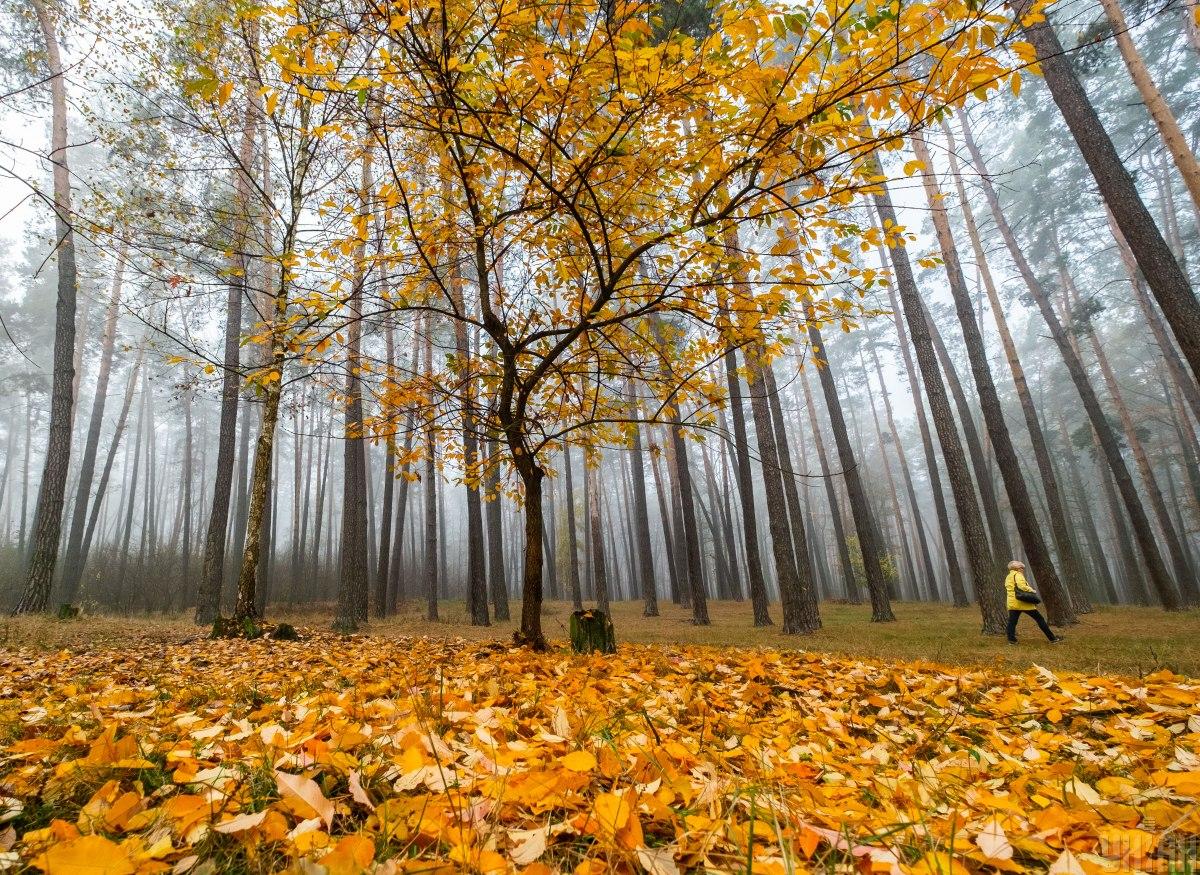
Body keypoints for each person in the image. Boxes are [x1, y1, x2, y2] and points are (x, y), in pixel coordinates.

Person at [1004, 560, 1062, 645]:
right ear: (1017, 568)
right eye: (1021, 568)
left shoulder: (1008, 576)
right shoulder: (1018, 575)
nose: (1022, 569)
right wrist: (1032, 590)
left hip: (1013, 603)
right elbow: (1022, 586)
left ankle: (1012, 640)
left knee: (1012, 622)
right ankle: (1052, 638)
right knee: (1039, 619)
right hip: (1023, 602)